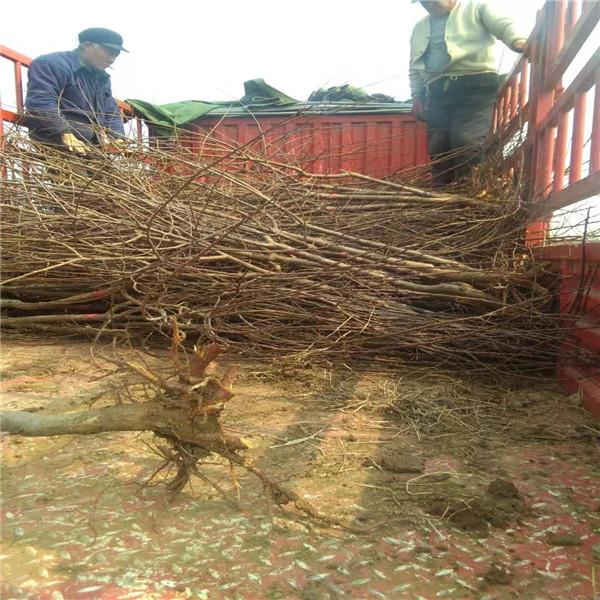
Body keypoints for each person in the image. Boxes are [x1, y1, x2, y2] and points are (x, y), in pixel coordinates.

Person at [409, 1, 526, 188]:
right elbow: (414, 66)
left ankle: (469, 191)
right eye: (424, 1)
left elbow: (502, 24)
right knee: (438, 146)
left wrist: (517, 40)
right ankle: (441, 194)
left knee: (466, 139)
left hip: (475, 84)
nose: (429, 3)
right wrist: (417, 95)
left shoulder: (476, 9)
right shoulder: (420, 28)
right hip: (438, 90)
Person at [25, 28, 129, 156]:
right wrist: (64, 133)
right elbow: (41, 101)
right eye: (109, 53)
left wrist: (118, 137)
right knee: (74, 174)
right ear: (87, 46)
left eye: (115, 55)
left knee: (107, 175)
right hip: (58, 140)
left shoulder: (101, 78)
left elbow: (110, 110)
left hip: (91, 145)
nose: (112, 60)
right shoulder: (52, 64)